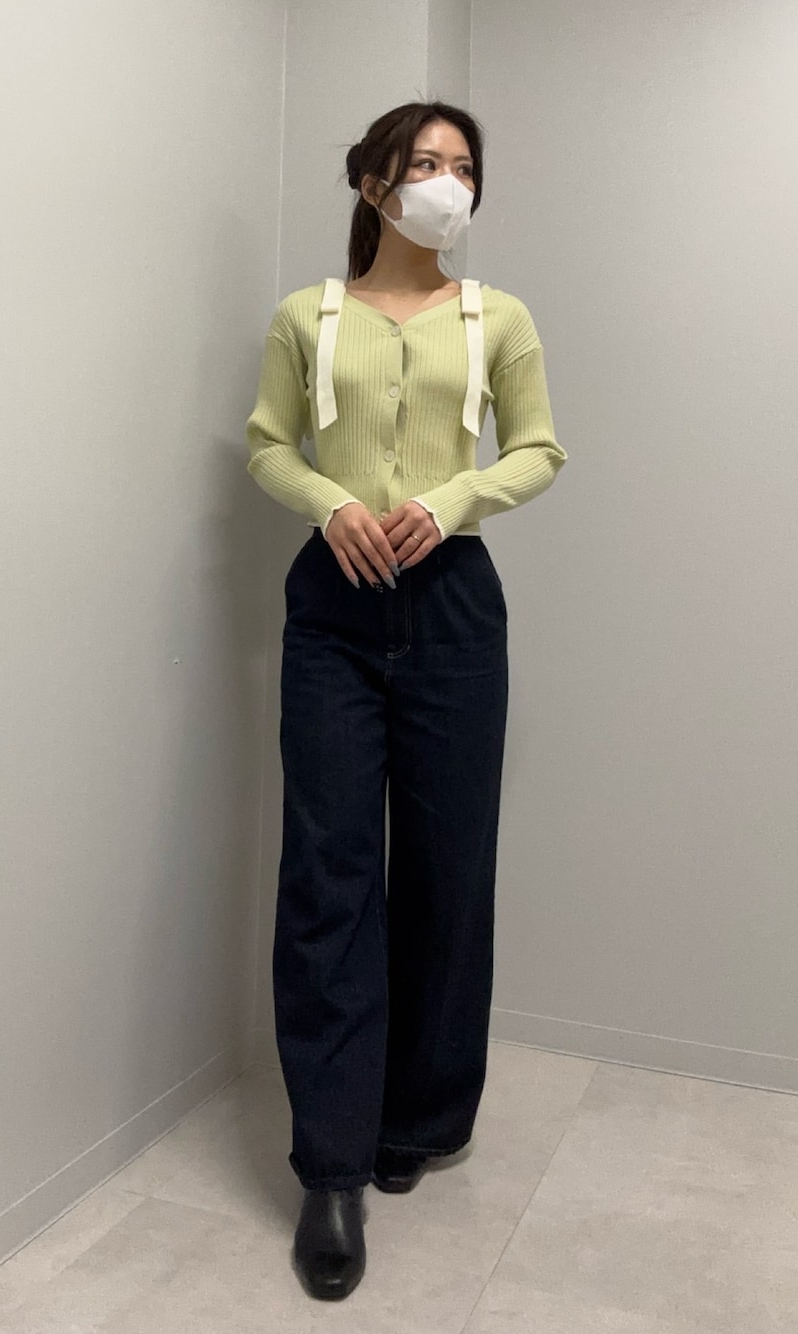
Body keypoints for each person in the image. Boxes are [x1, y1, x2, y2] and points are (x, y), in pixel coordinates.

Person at [245, 100, 567, 1301]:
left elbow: (537, 448)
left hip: (453, 609)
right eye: (425, 163)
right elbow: (267, 443)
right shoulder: (308, 316)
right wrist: (331, 505)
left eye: (463, 167)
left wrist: (450, 501)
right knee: (328, 873)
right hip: (332, 610)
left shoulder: (498, 318)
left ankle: (419, 1118)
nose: (447, 183)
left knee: (446, 866)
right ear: (373, 182)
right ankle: (330, 1164)